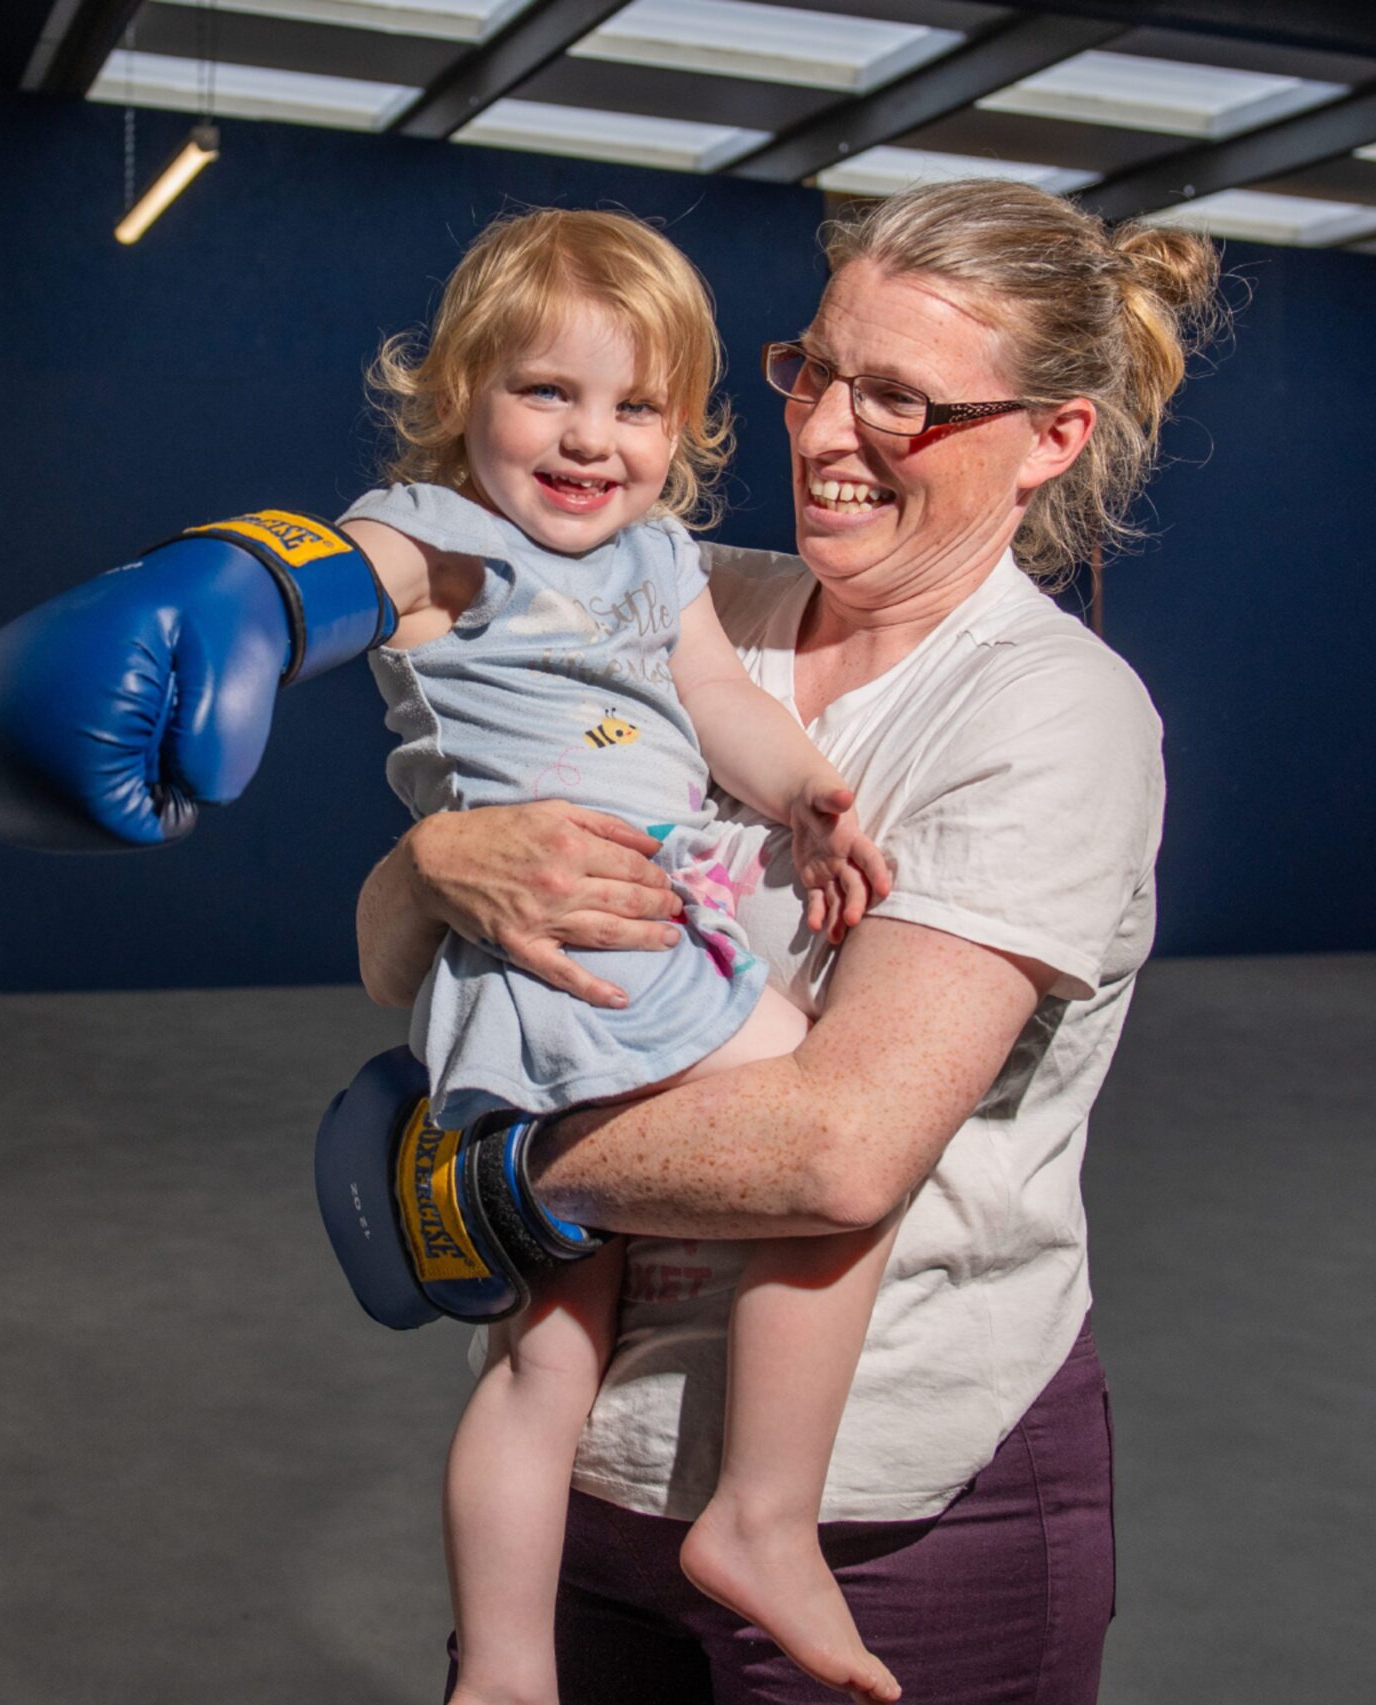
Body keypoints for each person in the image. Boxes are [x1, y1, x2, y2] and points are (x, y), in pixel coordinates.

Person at [347, 179, 1223, 1704]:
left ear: (1054, 436)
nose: (824, 433)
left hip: (892, 1519)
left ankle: (765, 1513)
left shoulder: (1045, 712)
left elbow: (836, 1154)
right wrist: (438, 859)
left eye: (898, 397)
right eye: (815, 369)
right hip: (588, 1480)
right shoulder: (684, 597)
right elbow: (387, 955)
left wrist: (479, 1166)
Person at [335, 208, 902, 1705]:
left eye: (636, 407)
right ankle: (767, 1513)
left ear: (683, 430)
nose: (593, 440)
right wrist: (217, 612)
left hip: (612, 931)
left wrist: (807, 795)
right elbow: (328, 575)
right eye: (547, 393)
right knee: (835, 1152)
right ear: (461, 395)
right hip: (587, 934)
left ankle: (506, 1676)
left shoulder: (662, 563)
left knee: (545, 1353)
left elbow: (718, 702)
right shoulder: (439, 536)